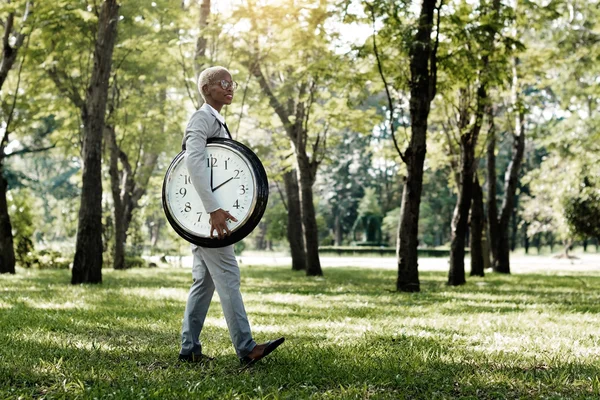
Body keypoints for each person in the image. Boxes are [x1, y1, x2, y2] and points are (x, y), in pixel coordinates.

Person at [179, 66, 284, 366]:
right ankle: (247, 348)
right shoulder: (201, 119)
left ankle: (189, 349)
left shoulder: (217, 121)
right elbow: (193, 161)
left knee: (203, 283)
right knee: (227, 276)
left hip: (207, 217)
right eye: (223, 83)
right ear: (207, 88)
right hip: (208, 219)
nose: (230, 87)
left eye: (231, 82)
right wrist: (213, 209)